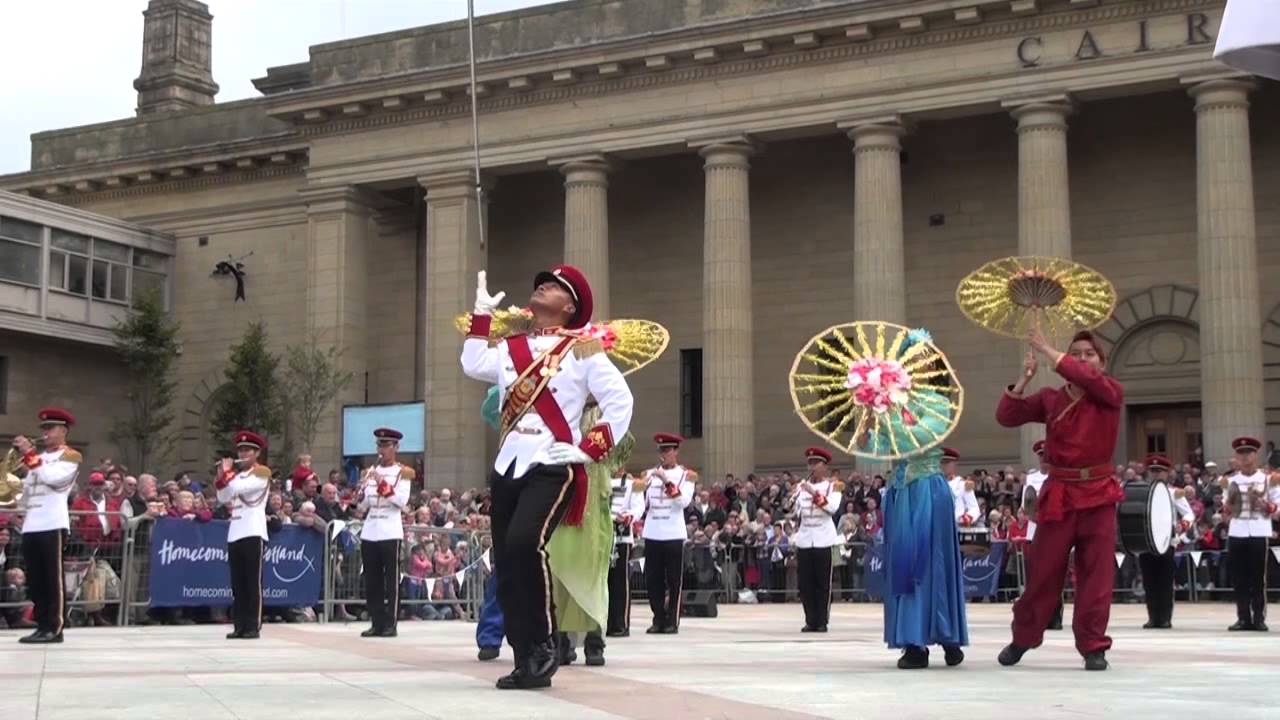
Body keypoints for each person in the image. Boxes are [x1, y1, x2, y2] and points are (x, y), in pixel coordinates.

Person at [461, 265, 633, 690]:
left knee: (525, 544)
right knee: (507, 559)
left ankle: (543, 648)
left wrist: (588, 449)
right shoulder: (513, 347)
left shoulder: (583, 349)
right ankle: (524, 655)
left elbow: (620, 400)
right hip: (509, 463)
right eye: (541, 283)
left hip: (552, 463)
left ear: (569, 306)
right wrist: (481, 314)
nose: (543, 287)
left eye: (554, 286)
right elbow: (472, 363)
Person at [996, 329, 1124, 671]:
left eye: (1089, 354)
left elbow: (1086, 378)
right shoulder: (1051, 398)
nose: (1082, 359)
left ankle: (1093, 645)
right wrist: (1024, 380)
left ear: (1102, 362)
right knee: (1043, 571)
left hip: (1099, 494)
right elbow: (1007, 417)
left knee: (1096, 576)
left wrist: (1049, 350)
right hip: (1060, 495)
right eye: (1076, 353)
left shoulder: (1110, 392)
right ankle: (1024, 636)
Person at [878, 381, 968, 669]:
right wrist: (872, 420)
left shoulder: (937, 403)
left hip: (927, 489)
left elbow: (921, 436)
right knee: (904, 564)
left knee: (931, 561)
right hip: (901, 491)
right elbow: (879, 447)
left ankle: (947, 633)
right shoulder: (891, 405)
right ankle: (913, 642)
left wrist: (888, 420)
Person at [13, 407, 81, 644]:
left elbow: (53, 479)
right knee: (36, 579)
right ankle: (41, 624)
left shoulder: (70, 456)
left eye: (50, 428)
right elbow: (28, 489)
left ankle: (55, 627)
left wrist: (29, 454)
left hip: (52, 522)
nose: (45, 432)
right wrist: (16, 504)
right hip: (31, 523)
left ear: (63, 430)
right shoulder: (39, 457)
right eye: (44, 428)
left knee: (53, 579)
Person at [214, 430, 271, 640]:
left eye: (248, 450)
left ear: (257, 453)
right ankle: (239, 625)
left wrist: (227, 473)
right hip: (235, 532)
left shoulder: (262, 472)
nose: (243, 454)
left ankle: (253, 626)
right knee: (237, 583)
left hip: (253, 531)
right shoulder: (237, 476)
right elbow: (223, 496)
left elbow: (240, 488)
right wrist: (221, 476)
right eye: (241, 450)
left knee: (252, 583)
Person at [357, 427, 412, 638]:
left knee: (391, 581)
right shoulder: (370, 472)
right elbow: (363, 505)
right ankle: (376, 622)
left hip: (390, 529)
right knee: (372, 579)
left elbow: (400, 501)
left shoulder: (403, 473)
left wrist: (381, 483)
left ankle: (391, 623)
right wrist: (359, 493)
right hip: (370, 530)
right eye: (380, 445)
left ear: (396, 447)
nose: (382, 450)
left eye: (386, 445)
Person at [1222, 437, 1280, 631]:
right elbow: (1225, 511)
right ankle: (1243, 617)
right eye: (1241, 453)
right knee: (1239, 578)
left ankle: (1259, 618)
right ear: (1236, 457)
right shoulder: (1230, 480)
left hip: (1259, 530)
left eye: (1248, 452)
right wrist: (1227, 507)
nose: (1244, 456)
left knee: (1258, 578)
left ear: (1255, 455)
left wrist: (1265, 505)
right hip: (1237, 531)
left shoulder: (1268, 479)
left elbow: (1278, 508)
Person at [640, 433, 696, 634]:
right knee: (653, 579)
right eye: (661, 450)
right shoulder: (648, 474)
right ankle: (658, 618)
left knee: (674, 580)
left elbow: (683, 502)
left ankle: (672, 620)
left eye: (668, 450)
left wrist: (665, 482)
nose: (664, 454)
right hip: (653, 531)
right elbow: (642, 503)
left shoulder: (686, 475)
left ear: (676, 451)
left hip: (673, 533)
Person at [1136, 454, 1194, 630]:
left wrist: (1182, 526)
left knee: (1165, 581)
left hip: (1167, 541)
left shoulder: (1174, 493)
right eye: (1153, 471)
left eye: (1160, 471)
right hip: (1147, 541)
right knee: (1149, 581)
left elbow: (1189, 514)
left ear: (1167, 473)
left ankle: (1165, 618)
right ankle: (1153, 617)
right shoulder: (1142, 492)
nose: (1156, 474)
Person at [792, 447, 843, 633]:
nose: (812, 467)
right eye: (810, 464)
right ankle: (810, 620)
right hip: (805, 538)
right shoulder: (801, 488)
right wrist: (791, 500)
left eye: (816, 463)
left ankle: (822, 620)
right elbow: (795, 512)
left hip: (823, 539)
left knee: (823, 584)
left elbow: (832, 508)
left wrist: (813, 492)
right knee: (805, 584)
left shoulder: (834, 486)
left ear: (824, 466)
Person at [1020, 440, 1063, 631]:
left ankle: (1055, 616)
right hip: (1035, 532)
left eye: (1046, 456)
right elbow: (1025, 505)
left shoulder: (1060, 477)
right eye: (1041, 456)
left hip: (1054, 531)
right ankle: (1039, 616)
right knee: (1036, 576)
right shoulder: (1031, 479)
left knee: (1054, 575)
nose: (1044, 459)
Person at [607, 466, 645, 637]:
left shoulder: (631, 484)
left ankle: (620, 624)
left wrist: (629, 516)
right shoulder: (602, 481)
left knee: (620, 581)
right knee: (604, 581)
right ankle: (604, 622)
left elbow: (638, 508)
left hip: (621, 536)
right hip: (603, 535)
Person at [942, 449, 978, 529]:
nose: (943, 466)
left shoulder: (963, 485)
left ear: (955, 464)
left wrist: (966, 518)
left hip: (956, 527)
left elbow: (974, 508)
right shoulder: (932, 485)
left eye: (947, 462)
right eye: (941, 462)